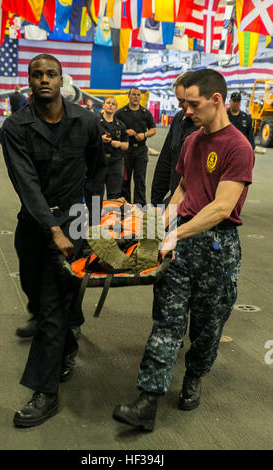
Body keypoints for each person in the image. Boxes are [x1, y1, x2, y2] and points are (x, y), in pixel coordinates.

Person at [112, 69, 255, 432]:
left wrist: (177, 234)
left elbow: (222, 207)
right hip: (181, 243)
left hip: (218, 249)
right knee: (167, 321)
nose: (186, 111)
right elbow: (182, 192)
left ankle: (194, 375)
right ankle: (147, 400)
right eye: (183, 104)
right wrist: (159, 226)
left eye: (192, 104)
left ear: (216, 100)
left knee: (207, 327)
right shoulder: (192, 142)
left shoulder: (238, 147)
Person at [0, 53, 106, 428]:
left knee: (51, 305)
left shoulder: (87, 121)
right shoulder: (15, 128)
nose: (44, 79)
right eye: (36, 74)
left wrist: (91, 219)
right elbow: (26, 184)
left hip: (74, 220)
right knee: (35, 291)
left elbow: (97, 169)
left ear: (62, 80)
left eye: (51, 74)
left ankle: (45, 393)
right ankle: (68, 342)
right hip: (35, 222)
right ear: (29, 81)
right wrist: (52, 228)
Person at [151, 71, 198, 207]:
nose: (179, 106)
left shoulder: (208, 130)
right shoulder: (179, 119)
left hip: (194, 207)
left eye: (182, 101)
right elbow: (165, 162)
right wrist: (156, 202)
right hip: (176, 199)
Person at [114, 88, 156, 206]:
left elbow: (153, 129)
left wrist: (144, 134)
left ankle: (140, 206)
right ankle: (125, 205)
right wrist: (126, 132)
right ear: (129, 96)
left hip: (141, 151)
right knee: (124, 180)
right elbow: (114, 129)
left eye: (138, 95)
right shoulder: (120, 113)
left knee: (140, 180)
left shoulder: (145, 113)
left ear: (140, 97)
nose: (136, 97)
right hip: (126, 151)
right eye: (133, 94)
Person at [99, 96, 129, 199]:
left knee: (114, 195)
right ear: (103, 105)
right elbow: (87, 139)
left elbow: (126, 145)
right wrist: (100, 138)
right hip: (98, 163)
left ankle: (112, 215)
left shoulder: (120, 125)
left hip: (115, 163)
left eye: (113, 104)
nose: (110, 105)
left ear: (116, 108)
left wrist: (119, 144)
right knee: (96, 195)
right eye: (108, 103)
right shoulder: (95, 122)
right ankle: (94, 215)